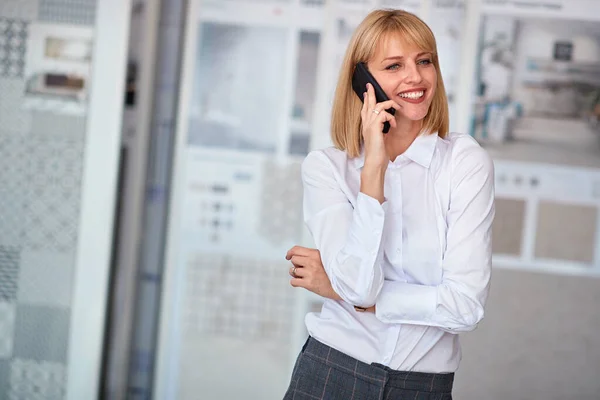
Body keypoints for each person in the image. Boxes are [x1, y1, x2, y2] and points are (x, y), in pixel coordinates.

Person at [283, 8, 495, 400]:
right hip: (331, 369)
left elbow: (464, 308)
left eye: (424, 61)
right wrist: (373, 171)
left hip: (423, 385)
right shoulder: (326, 169)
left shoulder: (464, 163)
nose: (415, 77)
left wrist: (339, 291)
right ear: (363, 82)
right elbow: (360, 287)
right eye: (394, 66)